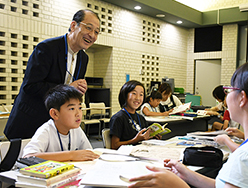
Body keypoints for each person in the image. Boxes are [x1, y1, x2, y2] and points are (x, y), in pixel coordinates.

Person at [128, 60, 248, 188]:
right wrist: (185, 174)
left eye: (229, 90)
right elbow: (224, 185)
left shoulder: (247, 157)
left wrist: (177, 185)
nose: (227, 95)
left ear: (242, 98)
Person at [4, 9, 100, 140]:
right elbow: (31, 86)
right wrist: (67, 88)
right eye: (89, 28)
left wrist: (78, 91)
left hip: (57, 126)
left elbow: (70, 93)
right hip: (30, 122)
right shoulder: (47, 48)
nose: (92, 35)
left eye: (96, 32)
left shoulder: (84, 58)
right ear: (73, 26)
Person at [22, 85, 99, 162]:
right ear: (55, 114)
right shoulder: (46, 130)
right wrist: (71, 155)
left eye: (80, 108)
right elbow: (28, 156)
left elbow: (88, 153)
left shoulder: (76, 129)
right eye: (72, 108)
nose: (78, 114)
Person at [110, 80, 161, 150]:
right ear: (125, 95)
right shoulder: (118, 118)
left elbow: (143, 138)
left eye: (141, 95)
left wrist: (153, 137)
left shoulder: (141, 118)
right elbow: (114, 146)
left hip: (141, 152)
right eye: (134, 93)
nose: (138, 98)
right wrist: (135, 140)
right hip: (126, 156)